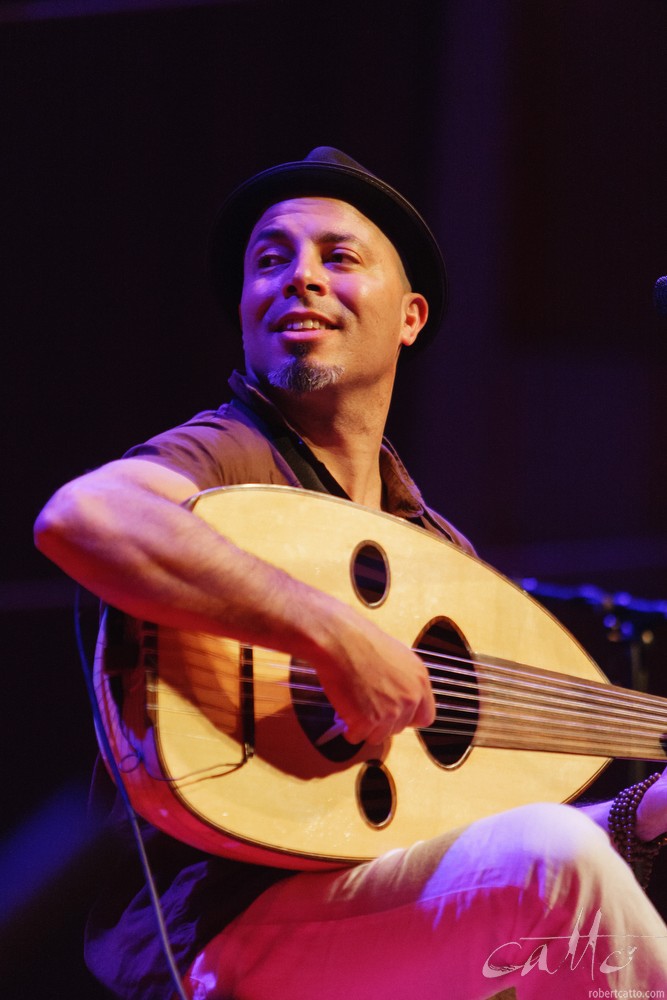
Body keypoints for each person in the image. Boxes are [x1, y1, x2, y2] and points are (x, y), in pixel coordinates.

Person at [35, 147, 667, 1000]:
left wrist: (645, 814)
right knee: (553, 868)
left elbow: (464, 837)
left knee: (555, 888)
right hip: (219, 930)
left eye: (337, 257)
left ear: (409, 317)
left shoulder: (434, 549)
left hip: (358, 914)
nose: (298, 278)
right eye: (271, 260)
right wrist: (335, 635)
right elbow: (86, 518)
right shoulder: (233, 452)